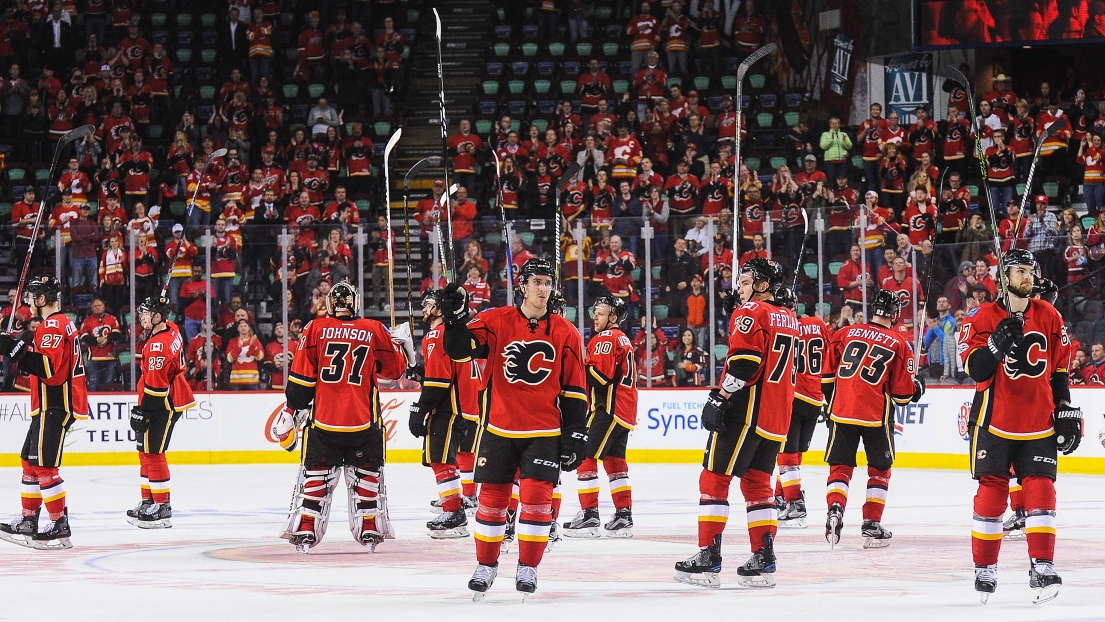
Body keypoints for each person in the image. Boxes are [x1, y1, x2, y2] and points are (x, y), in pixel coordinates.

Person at [439, 258, 587, 599]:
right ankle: (486, 565)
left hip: (544, 432)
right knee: (492, 502)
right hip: (498, 429)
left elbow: (574, 390)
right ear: (521, 285)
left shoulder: (566, 331)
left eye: (548, 282)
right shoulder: (495, 320)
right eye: (536, 281)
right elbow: (459, 351)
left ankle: (528, 567)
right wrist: (453, 320)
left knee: (536, 501)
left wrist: (576, 432)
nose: (543, 288)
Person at [957, 248, 1081, 604]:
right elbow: (974, 370)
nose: (1028, 277)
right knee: (992, 494)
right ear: (1004, 278)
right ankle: (985, 568)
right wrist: (996, 345)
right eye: (1021, 272)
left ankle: (1042, 566)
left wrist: (1064, 408)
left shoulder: (1050, 315)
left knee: (1042, 492)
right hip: (993, 422)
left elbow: (1058, 371)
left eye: (1031, 271)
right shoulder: (981, 316)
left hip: (1039, 423)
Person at [674, 259, 797, 588]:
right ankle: (764, 556)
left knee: (713, 477)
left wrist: (720, 397)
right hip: (777, 415)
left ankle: (708, 556)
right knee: (757, 484)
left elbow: (745, 363)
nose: (738, 289)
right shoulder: (789, 316)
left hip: (747, 410)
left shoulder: (752, 312)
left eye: (744, 282)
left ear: (760, 284)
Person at [274, 281, 413, 553]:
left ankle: (305, 528)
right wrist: (405, 348)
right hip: (364, 422)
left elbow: (302, 380)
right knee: (367, 481)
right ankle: (370, 526)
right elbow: (395, 372)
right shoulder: (374, 329)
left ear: (330, 305)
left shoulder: (315, 329)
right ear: (355, 303)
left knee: (316, 480)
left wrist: (292, 408)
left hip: (324, 422)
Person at [821, 289, 923, 549]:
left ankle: (835, 509)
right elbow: (901, 397)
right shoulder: (899, 343)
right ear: (895, 314)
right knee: (879, 471)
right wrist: (916, 388)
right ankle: (871, 524)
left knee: (840, 468)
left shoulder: (844, 333)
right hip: (876, 416)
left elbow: (826, 378)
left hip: (841, 412)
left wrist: (834, 403)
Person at [0, 276, 88, 550]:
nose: (29, 300)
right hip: (48, 404)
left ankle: (59, 523)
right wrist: (17, 347)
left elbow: (48, 369)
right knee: (29, 460)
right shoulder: (58, 323)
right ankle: (28, 520)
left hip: (57, 403)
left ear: (43, 298)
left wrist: (16, 351)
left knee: (44, 466)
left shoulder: (54, 324)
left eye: (33, 295)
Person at [407, 290, 482, 538]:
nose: (424, 308)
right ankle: (465, 500)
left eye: (429, 304)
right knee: (462, 455)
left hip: (449, 407)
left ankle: (454, 513)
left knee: (440, 459)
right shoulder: (457, 332)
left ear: (441, 308)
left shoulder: (435, 335)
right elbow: (443, 372)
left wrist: (421, 408)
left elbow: (438, 381)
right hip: (468, 406)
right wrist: (420, 372)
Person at [562, 297, 637, 538]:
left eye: (600, 313)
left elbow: (600, 376)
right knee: (616, 464)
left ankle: (589, 514)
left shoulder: (605, 338)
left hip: (608, 408)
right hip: (624, 410)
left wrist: (574, 367)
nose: (595, 317)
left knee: (584, 455)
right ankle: (624, 516)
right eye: (594, 312)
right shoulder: (623, 339)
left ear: (613, 317)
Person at [127, 297, 196, 528]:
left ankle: (162, 505)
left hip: (162, 403)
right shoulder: (172, 328)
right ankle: (148, 501)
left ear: (158, 317)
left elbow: (156, 388)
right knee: (145, 452)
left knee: (154, 453)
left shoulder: (158, 347)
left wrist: (143, 411)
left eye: (146, 313)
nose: (142, 317)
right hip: (166, 397)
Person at [771, 288, 830, 529]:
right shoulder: (817, 323)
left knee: (785, 455)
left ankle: (795, 503)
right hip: (815, 399)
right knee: (794, 455)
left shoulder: (781, 327)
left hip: (792, 397)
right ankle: (781, 496)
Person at [78, 298, 122, 391]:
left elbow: (117, 333)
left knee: (108, 384)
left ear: (104, 307)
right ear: (91, 308)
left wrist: (107, 339)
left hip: (110, 358)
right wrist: (97, 340)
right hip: (93, 358)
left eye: (99, 305)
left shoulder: (112, 319)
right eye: (95, 306)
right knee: (93, 384)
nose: (97, 308)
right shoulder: (87, 321)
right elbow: (83, 336)